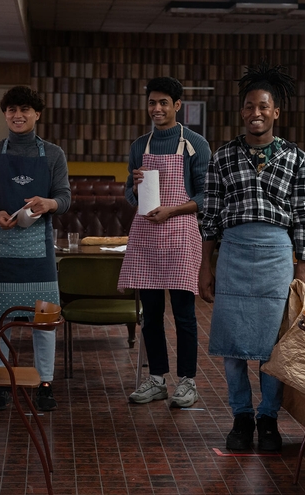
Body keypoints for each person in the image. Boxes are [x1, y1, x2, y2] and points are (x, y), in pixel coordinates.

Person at [199, 61, 305, 452]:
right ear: (242, 111)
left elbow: (304, 214)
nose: (256, 113)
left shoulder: (296, 158)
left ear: (276, 112)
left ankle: (267, 419)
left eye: (263, 106)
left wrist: (303, 265)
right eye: (249, 106)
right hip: (233, 252)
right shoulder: (223, 156)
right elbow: (210, 215)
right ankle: (241, 417)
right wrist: (204, 266)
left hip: (277, 256)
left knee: (273, 344)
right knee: (232, 343)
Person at [0, 86, 70, 412]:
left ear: (37, 114)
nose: (18, 115)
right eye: (12, 109)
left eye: (25, 109)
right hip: (2, 252)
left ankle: (44, 384)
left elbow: (65, 198)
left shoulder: (53, 154)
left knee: (45, 321)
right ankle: (0, 383)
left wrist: (49, 203)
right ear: (5, 114)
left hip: (40, 252)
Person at [117, 77, 210, 409]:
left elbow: (206, 196)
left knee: (184, 314)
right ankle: (156, 379)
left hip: (181, 232)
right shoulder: (139, 146)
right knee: (151, 313)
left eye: (163, 103)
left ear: (177, 106)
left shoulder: (195, 144)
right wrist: (136, 189)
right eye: (152, 103)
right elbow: (129, 193)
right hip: (146, 234)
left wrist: (172, 210)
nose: (157, 109)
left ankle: (187, 381)